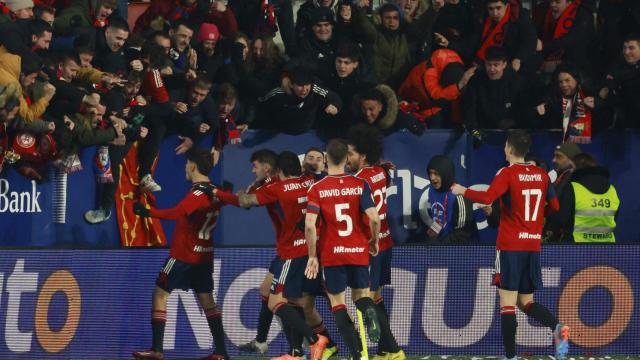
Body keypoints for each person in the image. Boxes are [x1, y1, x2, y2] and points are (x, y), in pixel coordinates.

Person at [451, 130, 569, 360]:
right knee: (525, 301)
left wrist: (463, 190)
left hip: (510, 247)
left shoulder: (508, 173)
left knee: (507, 304)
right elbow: (554, 207)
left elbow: (487, 198)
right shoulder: (541, 174)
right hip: (532, 247)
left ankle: (510, 356)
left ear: (510, 149)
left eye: (505, 145)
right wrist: (534, 221)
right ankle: (556, 327)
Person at [131, 148, 235, 360]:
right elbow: (227, 200)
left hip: (183, 255)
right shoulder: (214, 190)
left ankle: (157, 350)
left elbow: (178, 212)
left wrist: (147, 212)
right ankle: (221, 353)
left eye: (187, 164)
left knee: (160, 293)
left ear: (193, 166)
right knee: (207, 300)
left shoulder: (198, 192)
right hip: (204, 255)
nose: (185, 168)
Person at [238, 151, 333, 360]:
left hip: (292, 252)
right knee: (283, 296)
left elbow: (246, 201)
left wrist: (231, 195)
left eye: (255, 166)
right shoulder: (309, 181)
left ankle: (315, 340)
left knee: (280, 302)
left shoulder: (277, 189)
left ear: (276, 169)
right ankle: (274, 345)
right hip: (311, 248)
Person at [304, 139, 388, 360]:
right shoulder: (360, 184)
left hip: (332, 254)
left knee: (338, 304)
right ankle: (368, 309)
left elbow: (310, 224)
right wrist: (374, 241)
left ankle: (357, 354)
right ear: (345, 159)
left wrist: (312, 256)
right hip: (358, 250)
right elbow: (374, 218)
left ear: (326, 158)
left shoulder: (317, 188)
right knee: (361, 297)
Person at [345, 125, 405, 359]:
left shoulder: (358, 181)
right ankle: (385, 351)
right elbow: (384, 169)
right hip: (385, 242)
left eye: (351, 153)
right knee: (375, 297)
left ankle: (394, 350)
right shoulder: (381, 172)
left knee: (362, 298)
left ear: (363, 155)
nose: (348, 158)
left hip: (370, 246)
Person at [556, 153, 620, 242]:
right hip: (606, 248)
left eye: (572, 167)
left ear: (576, 168)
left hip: (576, 248)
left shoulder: (573, 188)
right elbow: (614, 218)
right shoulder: (612, 189)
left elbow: (562, 219)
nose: (570, 171)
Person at [425, 155, 477, 242]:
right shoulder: (432, 190)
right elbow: (439, 216)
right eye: (430, 173)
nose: (432, 178)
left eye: (436, 174)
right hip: (443, 247)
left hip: (463, 251)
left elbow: (463, 234)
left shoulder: (460, 196)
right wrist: (434, 230)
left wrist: (439, 244)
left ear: (446, 174)